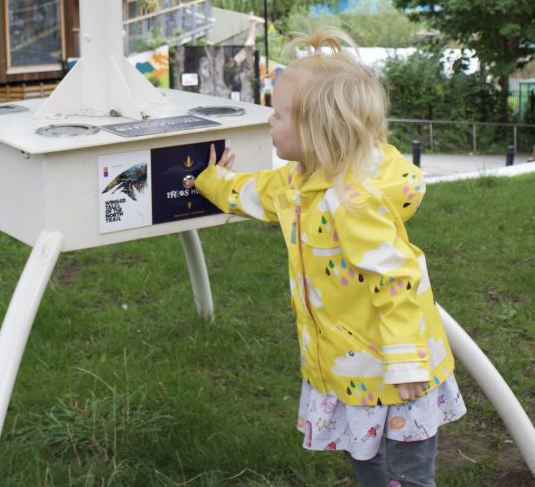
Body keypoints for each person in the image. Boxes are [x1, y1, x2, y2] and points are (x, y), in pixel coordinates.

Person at [197, 27, 465, 487]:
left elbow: (396, 279)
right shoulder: (302, 182)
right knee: (367, 458)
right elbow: (258, 193)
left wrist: (405, 365)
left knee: (410, 469)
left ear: (319, 131)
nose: (269, 121)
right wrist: (212, 182)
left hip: (395, 368)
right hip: (354, 365)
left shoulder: (352, 202)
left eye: (278, 115)